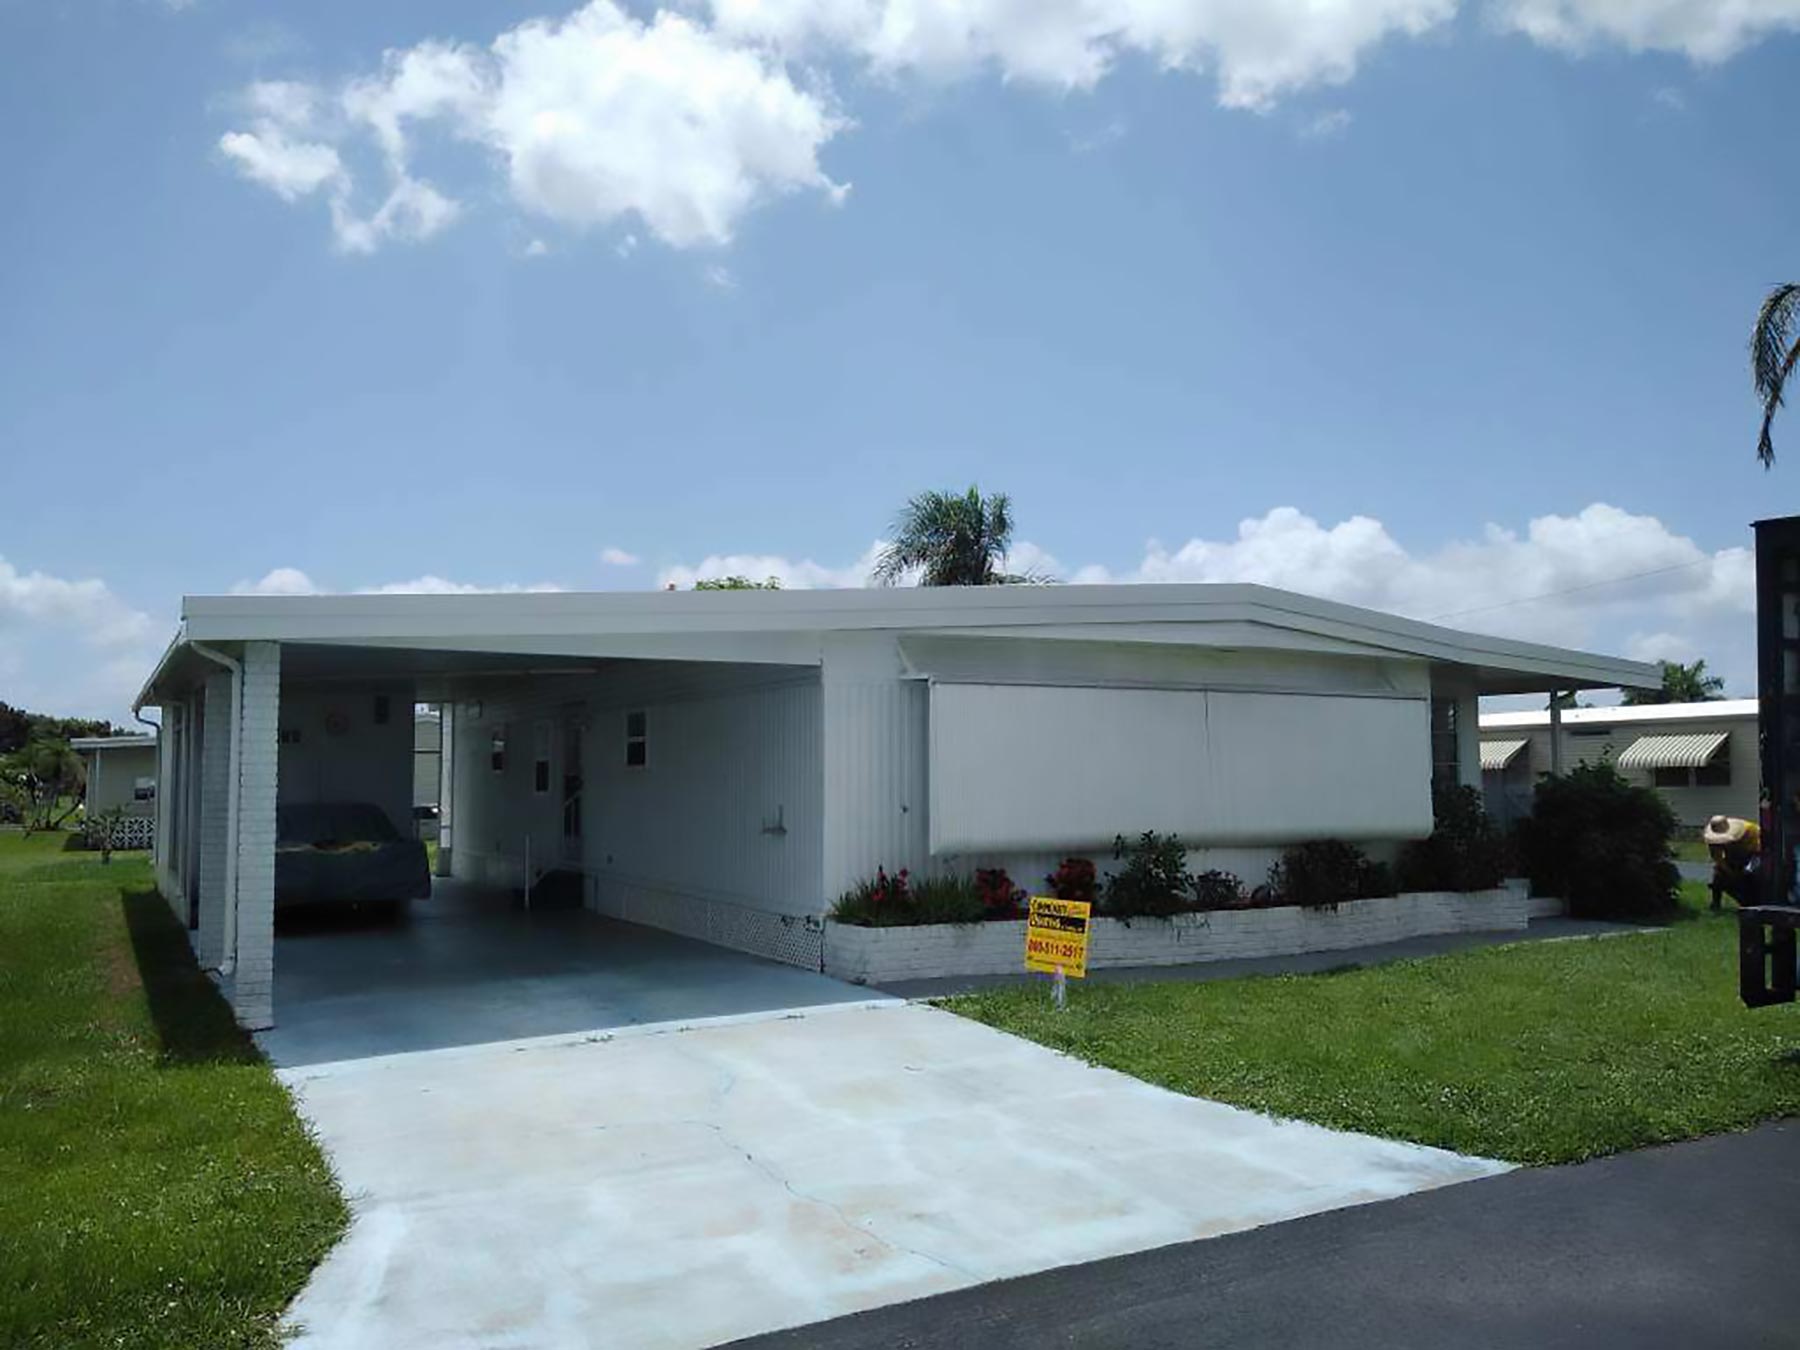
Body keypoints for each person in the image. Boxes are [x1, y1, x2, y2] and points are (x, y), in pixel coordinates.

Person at [1703, 815, 1762, 910]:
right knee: (1718, 875)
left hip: (1753, 854)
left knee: (1748, 874)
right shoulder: (1713, 836)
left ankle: (1749, 902)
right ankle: (1715, 903)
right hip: (1733, 855)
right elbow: (1717, 857)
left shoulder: (1751, 830)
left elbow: (1759, 851)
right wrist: (1729, 871)